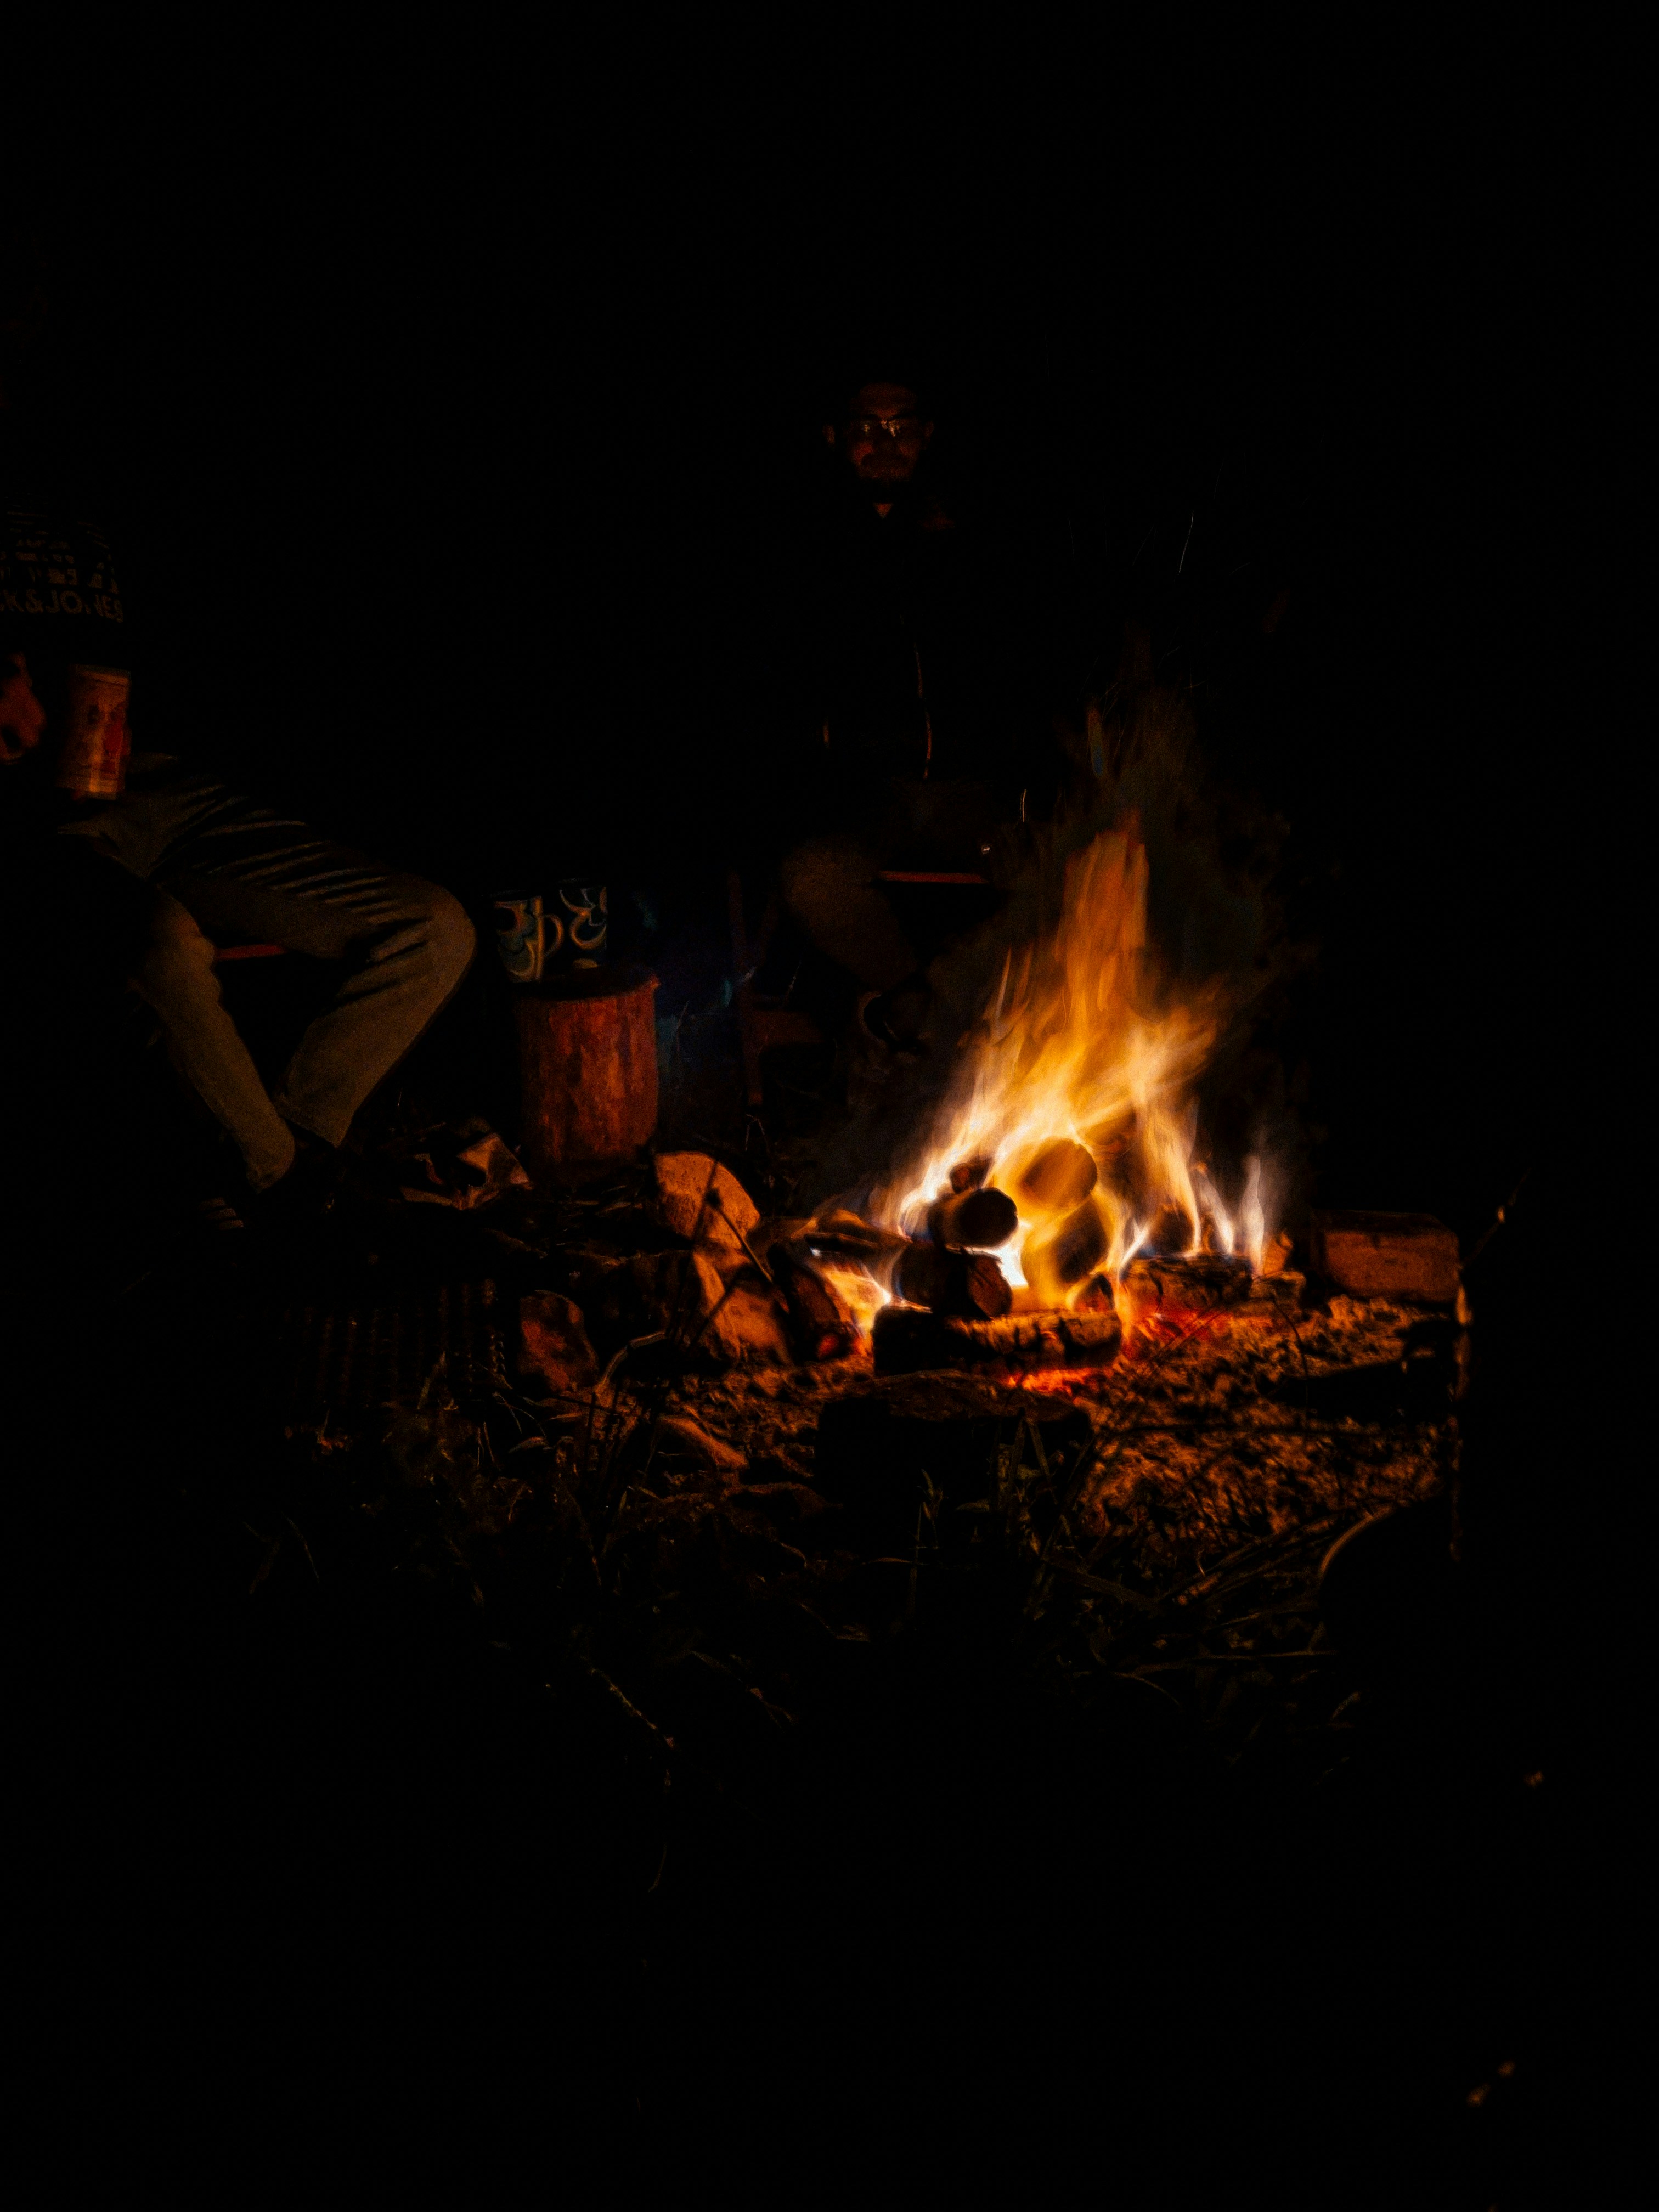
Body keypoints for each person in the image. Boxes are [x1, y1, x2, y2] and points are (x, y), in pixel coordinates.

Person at [1, 246, 475, 1245]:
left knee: (431, 927)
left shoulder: (77, 473)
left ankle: (285, 1148)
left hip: (156, 784)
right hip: (30, 821)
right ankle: (285, 1187)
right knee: (160, 945)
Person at [774, 375, 1048, 1053]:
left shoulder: (976, 534)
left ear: (927, 437)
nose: (884, 444)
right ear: (837, 438)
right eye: (868, 429)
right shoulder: (809, 544)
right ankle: (923, 1002)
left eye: (901, 428)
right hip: (869, 801)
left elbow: (1028, 662)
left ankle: (983, 1022)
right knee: (812, 877)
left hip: (971, 796)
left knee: (1052, 874)